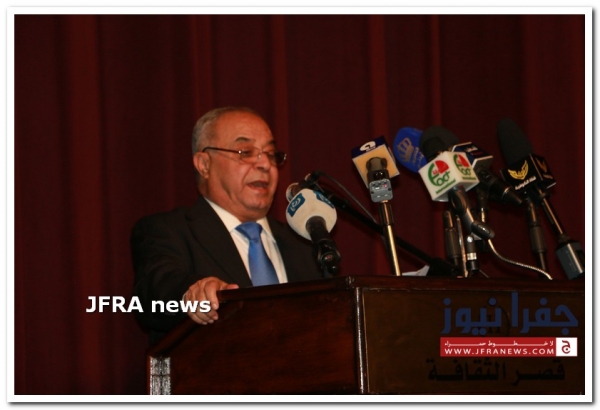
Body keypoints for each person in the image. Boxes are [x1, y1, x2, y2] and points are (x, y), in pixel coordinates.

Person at [131, 106, 322, 343]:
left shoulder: (303, 245)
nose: (265, 164)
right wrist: (191, 292)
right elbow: (153, 294)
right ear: (204, 164)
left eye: (271, 154)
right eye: (246, 152)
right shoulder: (169, 231)